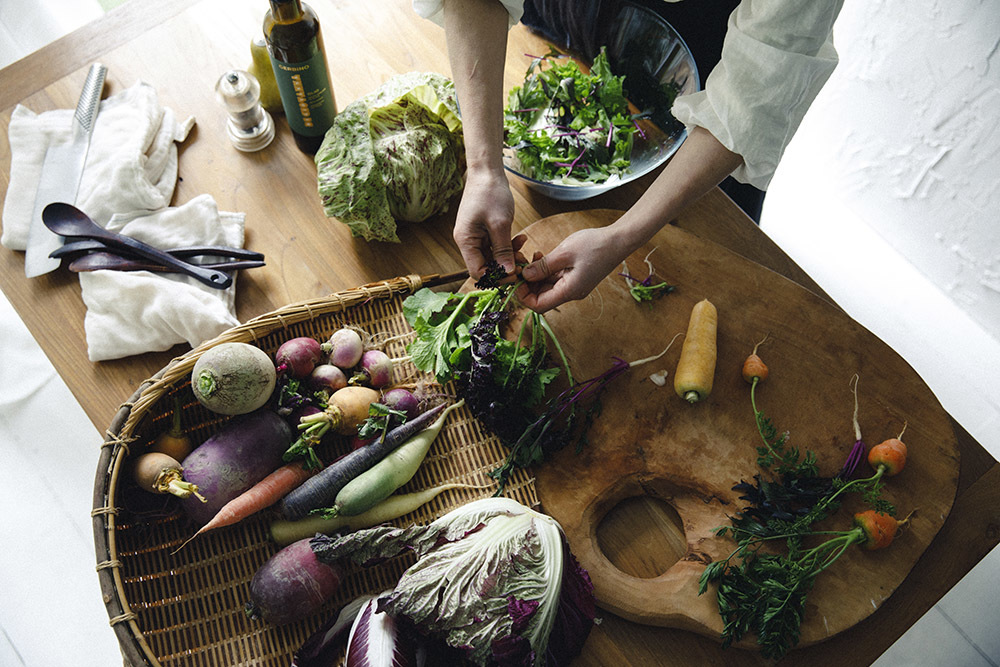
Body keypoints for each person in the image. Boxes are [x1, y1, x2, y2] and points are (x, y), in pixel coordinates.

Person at [413, 0, 844, 312]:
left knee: (719, 252)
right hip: (575, 12)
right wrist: (484, 167)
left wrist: (622, 237)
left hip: (704, 63)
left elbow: (750, 104)